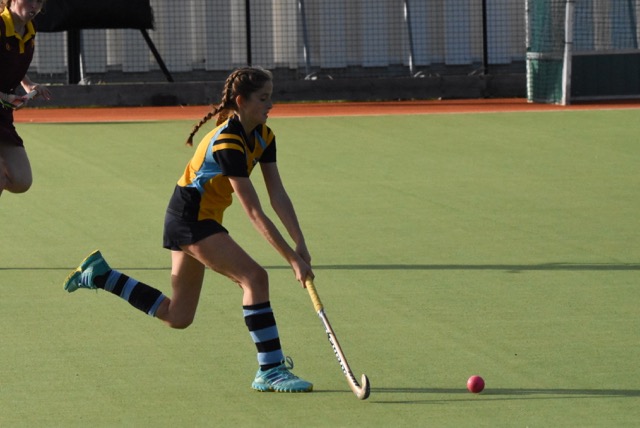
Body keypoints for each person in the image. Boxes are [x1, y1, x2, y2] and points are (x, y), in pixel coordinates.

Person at [64, 67, 315, 393]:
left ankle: (102, 276)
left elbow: (277, 194)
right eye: (263, 99)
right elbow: (253, 211)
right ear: (241, 101)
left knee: (178, 315)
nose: (271, 105)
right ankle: (270, 369)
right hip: (189, 220)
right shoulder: (227, 142)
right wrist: (291, 260)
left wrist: (299, 242)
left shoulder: (264, 136)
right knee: (255, 278)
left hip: (198, 218)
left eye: (271, 97)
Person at [0, 0, 52, 200]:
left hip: (2, 114)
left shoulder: (29, 29)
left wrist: (28, 85)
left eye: (38, 2)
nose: (34, 7)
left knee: (21, 180)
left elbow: (13, 60)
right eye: (29, 0)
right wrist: (5, 98)